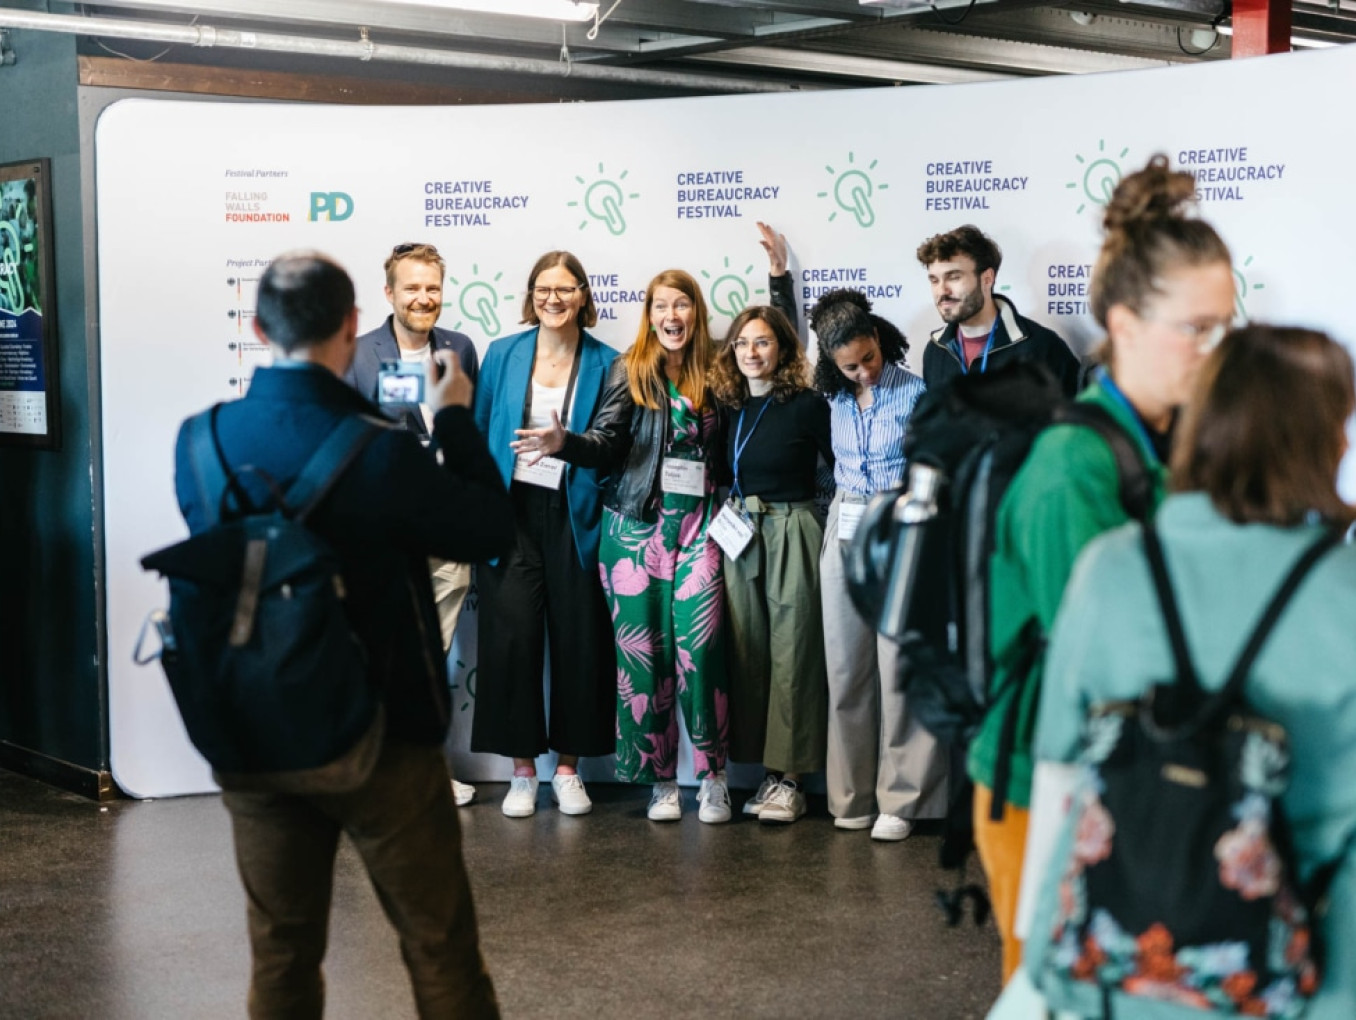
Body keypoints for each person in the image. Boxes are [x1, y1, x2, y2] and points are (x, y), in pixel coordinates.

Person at [174, 251, 510, 1018]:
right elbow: (487, 527)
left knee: (282, 957)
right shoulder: (383, 448)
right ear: (355, 324)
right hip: (382, 737)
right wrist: (454, 415)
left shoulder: (200, 444)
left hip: (254, 735)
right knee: (439, 948)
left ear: (258, 326)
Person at [991, 325, 1356, 1018]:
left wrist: (1045, 956)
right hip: (1296, 979)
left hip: (1117, 967)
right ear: (1325, 440)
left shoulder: (1113, 567)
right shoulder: (1346, 592)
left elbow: (1063, 771)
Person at [968, 155, 1235, 984]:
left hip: (1134, 775)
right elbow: (1106, 658)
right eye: (1196, 328)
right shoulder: (1072, 467)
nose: (1214, 350)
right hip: (1047, 779)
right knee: (1051, 992)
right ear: (1123, 323)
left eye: (1224, 327)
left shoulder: (1175, 447)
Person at [470, 251, 620, 818]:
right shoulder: (503, 353)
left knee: (581, 639)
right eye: (542, 289)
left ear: (583, 295)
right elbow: (482, 429)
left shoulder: (609, 362)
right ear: (530, 296)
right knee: (511, 639)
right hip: (511, 513)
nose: (552, 299)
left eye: (564, 289)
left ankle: (568, 769)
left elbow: (613, 445)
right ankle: (523, 772)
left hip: (577, 515)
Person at [345, 241, 480, 807]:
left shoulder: (461, 348)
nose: (423, 298)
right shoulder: (356, 354)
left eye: (432, 288)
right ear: (390, 294)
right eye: (412, 288)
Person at [595, 269, 731, 824]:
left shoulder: (719, 370)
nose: (671, 316)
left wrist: (779, 282)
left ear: (696, 313)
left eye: (682, 305)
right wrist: (564, 444)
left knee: (701, 650)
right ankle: (659, 780)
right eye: (661, 307)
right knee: (643, 656)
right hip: (634, 529)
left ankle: (713, 776)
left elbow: (777, 358)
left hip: (702, 524)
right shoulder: (629, 370)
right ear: (649, 314)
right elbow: (604, 442)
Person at [812, 288, 948, 842]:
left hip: (900, 520)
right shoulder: (832, 396)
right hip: (844, 523)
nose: (864, 372)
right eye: (850, 366)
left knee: (899, 668)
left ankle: (904, 798)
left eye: (870, 358)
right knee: (845, 666)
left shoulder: (916, 391)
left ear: (882, 342)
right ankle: (852, 796)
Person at [710, 303, 833, 825]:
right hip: (739, 531)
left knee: (795, 649)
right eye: (742, 343)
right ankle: (763, 772)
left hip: (792, 526)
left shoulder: (807, 404)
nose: (751, 352)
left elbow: (835, 467)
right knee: (749, 649)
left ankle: (791, 780)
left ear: (782, 348)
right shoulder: (729, 405)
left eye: (762, 342)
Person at [916, 225, 1081, 395]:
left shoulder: (1041, 347)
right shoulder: (935, 351)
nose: (942, 291)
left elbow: (1078, 417)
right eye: (934, 280)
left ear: (987, 279)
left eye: (954, 277)